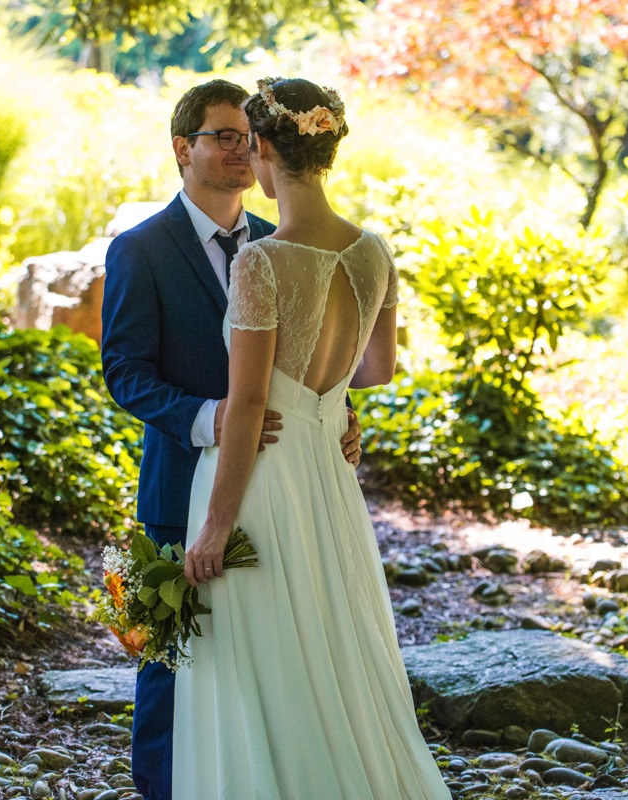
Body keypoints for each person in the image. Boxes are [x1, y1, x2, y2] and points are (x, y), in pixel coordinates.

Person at [173, 78, 451, 800]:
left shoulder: (262, 262)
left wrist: (215, 527)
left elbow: (248, 405)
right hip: (327, 475)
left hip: (264, 485)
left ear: (263, 150)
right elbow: (378, 370)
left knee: (261, 664)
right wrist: (330, 407)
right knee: (333, 641)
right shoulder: (374, 252)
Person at [100, 79, 365, 800]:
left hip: (279, 490)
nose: (242, 151)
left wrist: (336, 412)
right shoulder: (139, 249)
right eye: (222, 137)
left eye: (248, 138)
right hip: (179, 480)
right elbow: (124, 372)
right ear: (183, 149)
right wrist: (207, 414)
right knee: (170, 655)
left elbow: (314, 360)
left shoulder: (280, 246)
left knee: (268, 648)